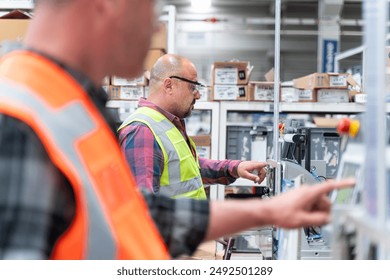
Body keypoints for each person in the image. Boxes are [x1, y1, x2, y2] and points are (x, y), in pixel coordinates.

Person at [0, 0, 355, 260]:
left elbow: (138, 215)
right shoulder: (20, 122)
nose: (156, 27)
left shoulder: (71, 109)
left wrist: (270, 210)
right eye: (150, 8)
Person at [118, 54, 267, 199]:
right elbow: (144, 208)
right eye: (192, 87)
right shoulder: (142, 131)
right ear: (169, 86)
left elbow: (191, 168)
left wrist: (235, 168)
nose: (198, 95)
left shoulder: (165, 123)